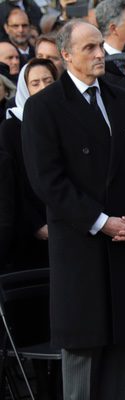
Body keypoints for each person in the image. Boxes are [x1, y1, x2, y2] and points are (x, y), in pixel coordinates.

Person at [21, 20, 125, 400]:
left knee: (119, 347)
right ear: (66, 55)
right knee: (82, 352)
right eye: (89, 48)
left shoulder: (123, 98)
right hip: (81, 247)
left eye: (101, 46)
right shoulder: (44, 107)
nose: (100, 53)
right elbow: (48, 181)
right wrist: (101, 222)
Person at [0, 59, 56, 273]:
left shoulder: (69, 120)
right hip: (32, 230)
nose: (43, 88)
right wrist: (35, 224)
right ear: (25, 88)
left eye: (48, 81)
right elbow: (12, 183)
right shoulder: (11, 127)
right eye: (35, 83)